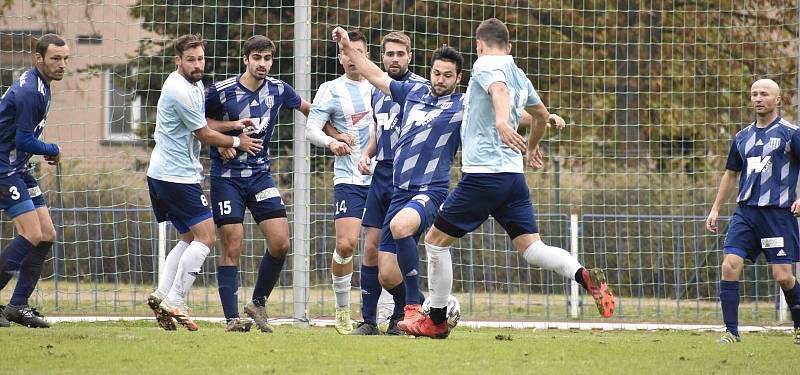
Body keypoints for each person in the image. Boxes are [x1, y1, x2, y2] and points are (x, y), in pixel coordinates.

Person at [406, 18, 615, 338]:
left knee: (434, 242)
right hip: (512, 179)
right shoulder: (519, 74)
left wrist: (503, 122)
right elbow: (541, 117)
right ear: (510, 46)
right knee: (532, 249)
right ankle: (583, 275)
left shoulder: (486, 65)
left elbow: (498, 91)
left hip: (482, 178)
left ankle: (435, 320)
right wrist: (531, 148)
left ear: (479, 46)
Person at [333, 27, 464, 336]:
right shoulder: (412, 93)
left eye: (447, 75)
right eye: (437, 73)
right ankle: (426, 315)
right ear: (430, 72)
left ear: (457, 78)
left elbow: (501, 108)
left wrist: (540, 116)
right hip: (395, 187)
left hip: (429, 190)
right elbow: (374, 75)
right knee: (387, 274)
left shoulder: (463, 106)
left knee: (401, 227)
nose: (440, 80)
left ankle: (418, 309)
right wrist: (349, 48)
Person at [145, 34, 262, 331]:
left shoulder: (194, 84)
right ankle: (176, 300)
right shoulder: (178, 89)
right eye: (191, 60)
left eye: (200, 58)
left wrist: (233, 126)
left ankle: (161, 295)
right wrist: (238, 141)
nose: (198, 65)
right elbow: (204, 134)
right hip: (176, 177)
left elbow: (206, 124)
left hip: (164, 174)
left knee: (188, 238)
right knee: (207, 238)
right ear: (177, 61)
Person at [205, 35, 312, 333]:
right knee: (233, 244)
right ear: (246, 59)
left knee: (281, 242)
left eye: (267, 59)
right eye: (257, 58)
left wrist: (335, 133)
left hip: (260, 175)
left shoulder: (279, 89)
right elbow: (199, 124)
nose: (262, 64)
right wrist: (227, 140)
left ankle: (258, 303)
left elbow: (308, 108)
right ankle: (231, 319)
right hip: (227, 178)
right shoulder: (222, 92)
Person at [706, 78, 800, 345]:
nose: (758, 98)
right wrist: (715, 209)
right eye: (754, 94)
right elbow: (730, 174)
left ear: (777, 100)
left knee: (783, 277)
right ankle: (731, 332)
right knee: (729, 265)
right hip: (746, 213)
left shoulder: (791, 133)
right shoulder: (741, 137)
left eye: (764, 94)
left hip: (777, 215)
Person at [350, 31, 427, 335]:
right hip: (381, 175)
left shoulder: (421, 88)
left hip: (406, 178)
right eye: (389, 54)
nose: (395, 59)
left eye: (400, 54)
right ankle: (368, 320)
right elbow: (378, 129)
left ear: (410, 56)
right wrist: (368, 153)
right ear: (382, 57)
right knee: (369, 248)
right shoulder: (375, 90)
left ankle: (409, 311)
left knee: (390, 269)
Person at [305, 29, 373, 335]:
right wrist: (332, 143)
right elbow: (311, 129)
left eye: (356, 51)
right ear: (339, 56)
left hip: (383, 177)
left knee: (379, 249)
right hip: (348, 178)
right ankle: (343, 309)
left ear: (366, 56)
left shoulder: (382, 85)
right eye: (346, 52)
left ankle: (379, 314)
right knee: (347, 244)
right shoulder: (331, 89)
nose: (351, 57)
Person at [0, 34, 68, 328]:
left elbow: (24, 139)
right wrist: (52, 149)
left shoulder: (41, 85)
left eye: (66, 59)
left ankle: (17, 306)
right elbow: (24, 139)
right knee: (30, 233)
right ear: (38, 58)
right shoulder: (31, 92)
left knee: (47, 234)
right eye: (55, 58)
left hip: (19, 166)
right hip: (4, 167)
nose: (62, 64)